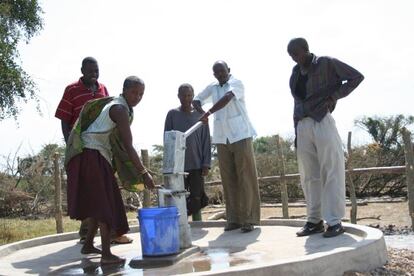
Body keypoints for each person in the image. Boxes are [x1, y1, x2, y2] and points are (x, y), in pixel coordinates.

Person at [65, 76, 155, 264]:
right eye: (134, 92)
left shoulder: (120, 105)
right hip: (91, 154)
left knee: (100, 201)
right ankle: (106, 254)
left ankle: (88, 244)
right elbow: (128, 146)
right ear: (124, 90)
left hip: (96, 154)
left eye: (141, 94)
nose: (137, 97)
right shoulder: (119, 109)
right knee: (105, 204)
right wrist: (143, 173)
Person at [287, 38, 364, 238]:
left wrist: (334, 97)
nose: (295, 59)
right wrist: (296, 130)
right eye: (291, 56)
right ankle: (314, 221)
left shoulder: (326, 63)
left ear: (305, 49)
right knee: (309, 175)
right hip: (302, 125)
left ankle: (334, 222)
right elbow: (297, 101)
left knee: (332, 170)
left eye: (296, 54)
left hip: (322, 121)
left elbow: (356, 77)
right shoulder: (295, 73)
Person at [55, 57, 132, 245]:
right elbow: (65, 119)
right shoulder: (72, 90)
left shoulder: (103, 90)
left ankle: (98, 239)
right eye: (90, 70)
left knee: (100, 192)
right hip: (82, 145)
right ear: (82, 70)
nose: (93, 74)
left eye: (96, 70)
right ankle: (89, 237)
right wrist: (71, 144)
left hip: (101, 147)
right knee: (92, 192)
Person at [193, 61, 261, 233]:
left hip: (240, 134)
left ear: (228, 70)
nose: (220, 75)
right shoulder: (213, 86)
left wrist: (208, 112)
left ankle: (249, 219)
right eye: (217, 73)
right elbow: (197, 99)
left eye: (222, 71)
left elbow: (227, 99)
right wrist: (201, 111)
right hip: (222, 138)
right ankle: (234, 219)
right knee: (228, 179)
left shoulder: (236, 83)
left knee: (245, 177)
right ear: (214, 74)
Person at [164, 83, 211, 221]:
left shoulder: (201, 115)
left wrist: (206, 163)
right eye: (183, 95)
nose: (186, 98)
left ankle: (197, 224)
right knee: (178, 196)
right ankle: (181, 224)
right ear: (178, 96)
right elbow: (168, 139)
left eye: (189, 95)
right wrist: (169, 164)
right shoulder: (172, 114)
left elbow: (205, 140)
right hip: (178, 166)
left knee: (197, 197)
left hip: (196, 163)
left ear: (193, 95)